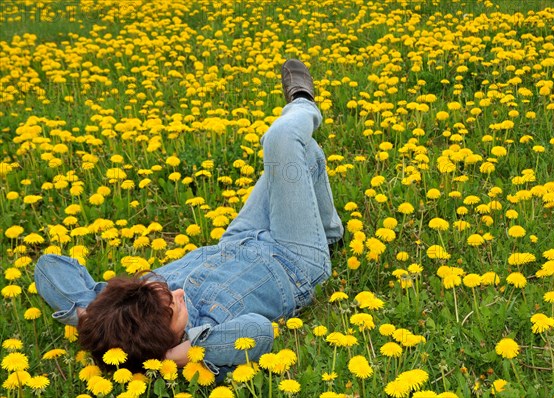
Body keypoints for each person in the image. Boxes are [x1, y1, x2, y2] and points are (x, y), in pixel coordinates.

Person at [34, 59, 344, 378]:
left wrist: (87, 312)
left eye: (160, 287)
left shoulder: (125, 313)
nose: (178, 292)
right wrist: (174, 355)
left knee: (303, 155)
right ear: (168, 341)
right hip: (293, 260)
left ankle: (330, 232)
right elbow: (260, 333)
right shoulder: (209, 342)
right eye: (174, 307)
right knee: (283, 142)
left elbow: (48, 266)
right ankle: (303, 102)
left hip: (237, 239)